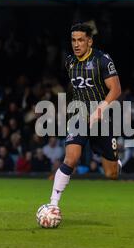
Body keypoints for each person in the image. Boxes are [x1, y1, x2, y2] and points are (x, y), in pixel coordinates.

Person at [47, 23, 122, 208]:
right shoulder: (70, 62)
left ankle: (114, 160)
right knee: (71, 158)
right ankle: (53, 205)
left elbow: (116, 89)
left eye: (80, 40)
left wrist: (99, 110)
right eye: (73, 40)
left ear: (90, 41)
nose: (76, 44)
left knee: (111, 174)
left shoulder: (102, 60)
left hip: (102, 117)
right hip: (79, 115)